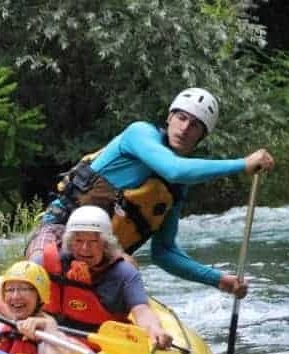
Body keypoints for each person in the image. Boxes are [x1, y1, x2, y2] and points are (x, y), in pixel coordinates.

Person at [26, 87, 274, 298]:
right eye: (181, 117)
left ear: (202, 136)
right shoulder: (140, 134)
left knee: (129, 275)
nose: (185, 128)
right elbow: (175, 169)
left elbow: (164, 252)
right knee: (39, 265)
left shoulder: (174, 189)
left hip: (104, 260)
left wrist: (219, 280)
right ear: (169, 118)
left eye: (195, 125)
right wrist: (243, 164)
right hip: (60, 232)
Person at [0, 206, 174, 349]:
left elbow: (141, 310)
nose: (85, 249)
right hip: (44, 332)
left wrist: (154, 330)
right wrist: (19, 322)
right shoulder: (47, 261)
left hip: (96, 344)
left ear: (105, 243)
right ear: (69, 241)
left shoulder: (123, 272)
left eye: (93, 241)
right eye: (78, 241)